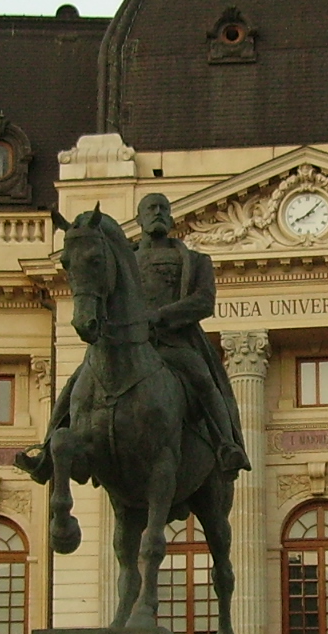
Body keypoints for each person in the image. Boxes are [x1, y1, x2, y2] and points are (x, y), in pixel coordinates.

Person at [17, 191, 249, 482]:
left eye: (164, 208)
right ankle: (48, 450)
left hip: (172, 346)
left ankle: (226, 444)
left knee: (202, 377)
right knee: (74, 385)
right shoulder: (122, 259)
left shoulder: (194, 260)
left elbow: (203, 301)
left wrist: (162, 316)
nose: (159, 213)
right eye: (151, 208)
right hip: (125, 348)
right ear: (138, 218)